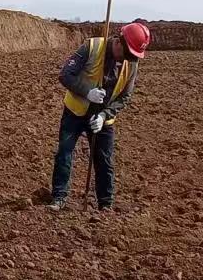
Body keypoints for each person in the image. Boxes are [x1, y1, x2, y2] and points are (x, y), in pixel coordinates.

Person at [48, 20, 151, 212]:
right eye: (127, 53)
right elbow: (65, 75)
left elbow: (125, 96)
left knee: (104, 159)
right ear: (119, 42)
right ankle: (59, 197)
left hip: (102, 118)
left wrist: (104, 115)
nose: (127, 59)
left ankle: (105, 204)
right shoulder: (92, 46)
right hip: (75, 111)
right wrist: (87, 92)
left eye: (133, 56)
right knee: (65, 152)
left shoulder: (131, 63)